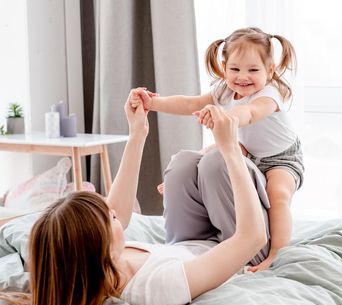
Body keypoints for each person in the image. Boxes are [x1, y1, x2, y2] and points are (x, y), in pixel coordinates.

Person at [0, 90, 268, 305]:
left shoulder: (101, 265)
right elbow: (251, 237)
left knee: (182, 164)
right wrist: (230, 148)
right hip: (239, 250)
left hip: (193, 239)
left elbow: (118, 208)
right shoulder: (156, 285)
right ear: (98, 248)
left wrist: (137, 133)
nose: (114, 210)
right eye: (110, 218)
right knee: (216, 162)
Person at [130, 27, 303, 272]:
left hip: (279, 158)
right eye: (235, 69)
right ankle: (176, 182)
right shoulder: (223, 90)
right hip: (245, 149)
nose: (243, 77)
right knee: (206, 156)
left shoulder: (269, 94)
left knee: (278, 195)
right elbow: (189, 103)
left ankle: (276, 252)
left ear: (270, 70)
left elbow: (250, 113)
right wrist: (153, 103)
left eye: (253, 70)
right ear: (224, 68)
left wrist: (225, 117)